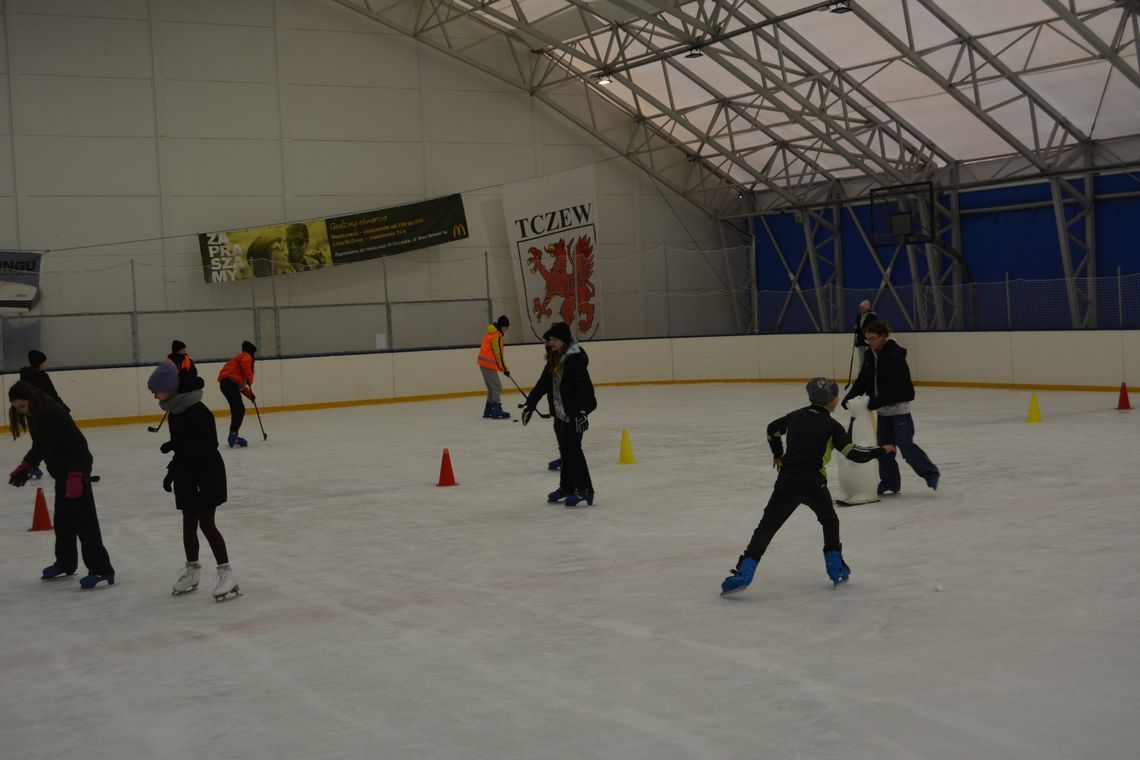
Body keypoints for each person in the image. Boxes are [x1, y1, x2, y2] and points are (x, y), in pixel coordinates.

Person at [720, 378, 895, 596]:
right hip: (813, 482)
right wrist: (882, 450)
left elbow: (772, 429)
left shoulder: (795, 416)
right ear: (831, 400)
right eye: (836, 396)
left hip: (787, 481)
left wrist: (777, 453)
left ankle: (744, 572)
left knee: (767, 526)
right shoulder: (832, 426)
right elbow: (855, 455)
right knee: (829, 521)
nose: (838, 399)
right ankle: (835, 567)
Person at [7, 381, 116, 589]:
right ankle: (66, 564)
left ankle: (102, 570)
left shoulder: (56, 414)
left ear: (31, 399)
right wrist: (27, 465)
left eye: (22, 406)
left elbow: (79, 445)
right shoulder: (38, 416)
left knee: (86, 526)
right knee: (64, 523)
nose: (21, 411)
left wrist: (76, 476)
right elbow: (41, 446)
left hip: (76, 475)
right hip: (61, 476)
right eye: (17, 408)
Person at [148, 361, 239, 601]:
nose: (155, 395)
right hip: (187, 472)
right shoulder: (174, 411)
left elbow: (209, 444)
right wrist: (172, 471)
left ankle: (226, 573)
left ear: (170, 388)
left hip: (207, 473)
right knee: (188, 520)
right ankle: (192, 571)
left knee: (206, 522)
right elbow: (182, 449)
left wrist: (179, 446)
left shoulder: (197, 410)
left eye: (157, 390)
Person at [842, 320, 940, 495]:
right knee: (884, 448)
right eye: (867, 339)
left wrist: (874, 402)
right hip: (883, 412)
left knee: (905, 444)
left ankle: (930, 473)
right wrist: (849, 398)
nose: (869, 342)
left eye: (872, 338)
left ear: (882, 337)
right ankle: (890, 482)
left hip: (899, 410)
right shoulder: (871, 356)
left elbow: (897, 389)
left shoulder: (895, 357)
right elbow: (863, 380)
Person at [521, 322, 597, 506]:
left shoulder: (574, 360)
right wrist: (530, 405)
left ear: (563, 341)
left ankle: (585, 490)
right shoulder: (555, 359)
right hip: (560, 413)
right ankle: (567, 487)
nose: (551, 343)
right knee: (566, 452)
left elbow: (585, 389)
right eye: (550, 340)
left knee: (574, 451)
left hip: (574, 414)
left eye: (554, 340)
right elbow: (543, 384)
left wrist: (582, 412)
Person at [217, 341, 257, 448]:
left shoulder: (238, 361)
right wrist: (250, 378)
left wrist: (250, 395)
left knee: (237, 409)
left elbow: (240, 385)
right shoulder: (246, 357)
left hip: (227, 384)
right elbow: (244, 367)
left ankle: (233, 435)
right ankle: (233, 435)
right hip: (229, 384)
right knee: (239, 409)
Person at [476, 315, 512, 419]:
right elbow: (498, 354)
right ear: (503, 326)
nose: (506, 330)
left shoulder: (491, 333)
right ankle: (496, 409)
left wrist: (503, 368)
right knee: (497, 387)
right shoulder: (496, 335)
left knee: (492, 388)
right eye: (506, 327)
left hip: (484, 364)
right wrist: (505, 369)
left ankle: (488, 409)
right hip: (488, 364)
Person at [853, 300, 877, 372]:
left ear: (867, 308)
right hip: (860, 342)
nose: (860, 309)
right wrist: (856, 337)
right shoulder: (859, 316)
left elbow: (868, 329)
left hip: (868, 342)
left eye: (862, 307)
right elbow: (857, 327)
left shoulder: (872, 316)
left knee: (868, 361)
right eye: (860, 307)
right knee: (861, 361)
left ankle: (870, 377)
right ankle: (861, 377)